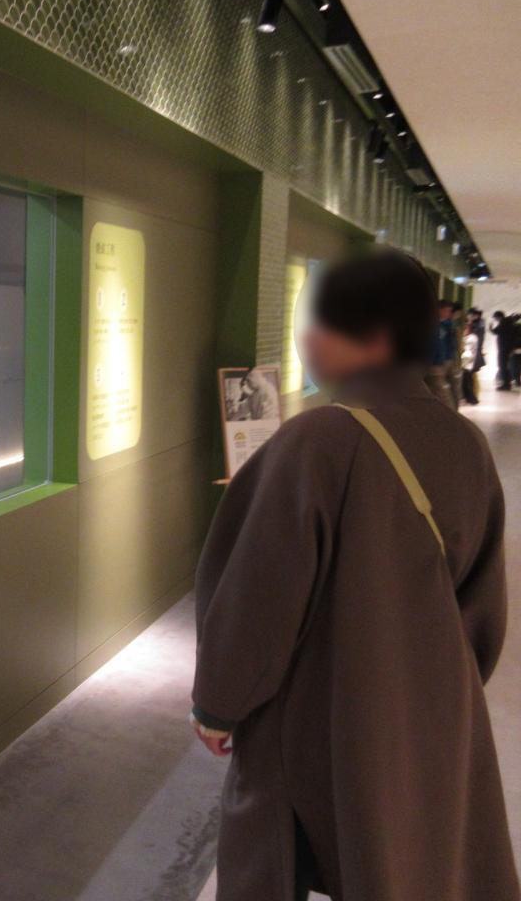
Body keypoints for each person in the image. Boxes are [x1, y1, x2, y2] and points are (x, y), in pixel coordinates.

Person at [191, 247, 516, 901]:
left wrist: (219, 706)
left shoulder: (318, 441)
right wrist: (427, 688)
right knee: (404, 860)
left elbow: (258, 595)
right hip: (428, 709)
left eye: (319, 323)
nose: (307, 340)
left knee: (278, 856)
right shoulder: (464, 443)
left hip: (319, 711)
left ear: (372, 337)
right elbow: (481, 609)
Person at [426, 298, 459, 410]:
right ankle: (451, 416)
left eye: (449, 311)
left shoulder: (446, 324)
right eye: (446, 310)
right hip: (434, 364)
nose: (448, 313)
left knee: (449, 390)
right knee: (443, 393)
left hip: (444, 360)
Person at [462, 307, 485, 405]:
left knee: (469, 379)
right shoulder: (480, 324)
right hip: (474, 357)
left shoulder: (476, 328)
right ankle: (472, 397)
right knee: (471, 378)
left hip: (471, 358)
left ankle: (472, 398)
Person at [490, 310, 515, 390]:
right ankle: (507, 383)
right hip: (507, 348)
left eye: (495, 318)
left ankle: (506, 384)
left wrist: (490, 327)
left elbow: (496, 331)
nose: (495, 320)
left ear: (499, 317)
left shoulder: (504, 323)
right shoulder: (508, 322)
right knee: (504, 366)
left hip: (504, 348)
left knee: (502, 365)